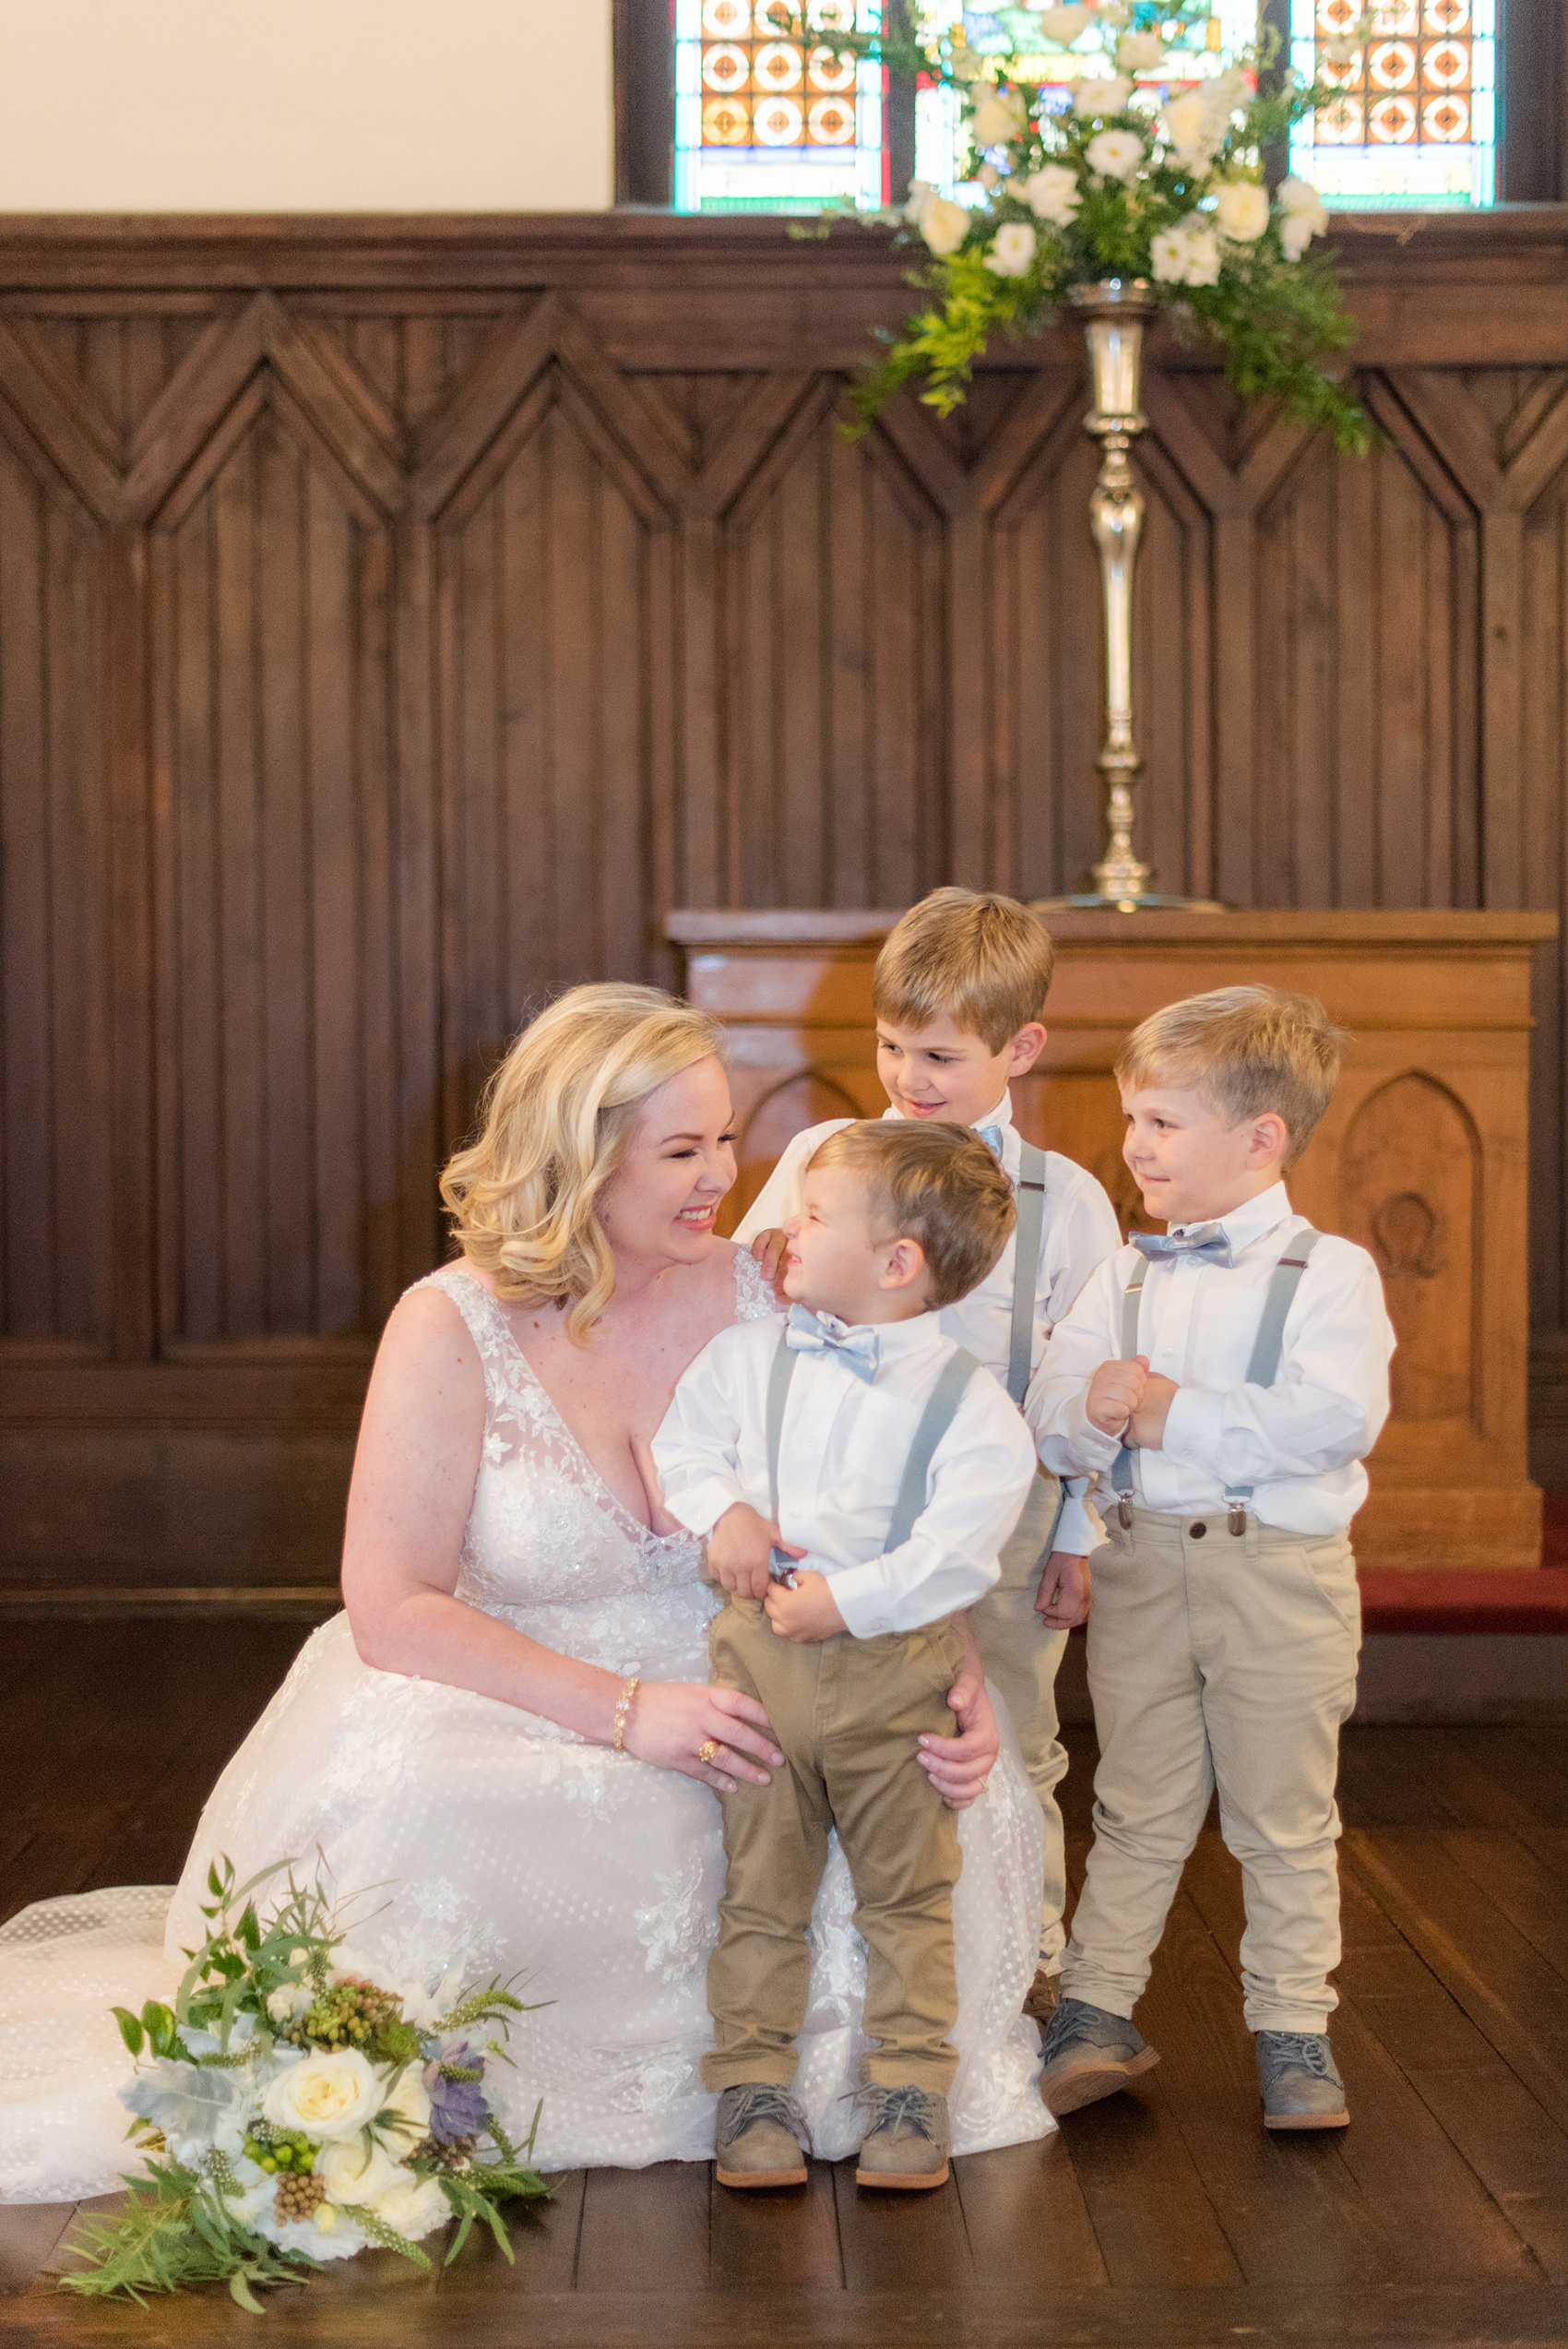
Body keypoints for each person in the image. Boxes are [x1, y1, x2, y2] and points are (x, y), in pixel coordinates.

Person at [0, 984, 1051, 2206]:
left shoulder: (777, 1292)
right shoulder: (450, 1325)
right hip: (509, 1684)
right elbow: (390, 1599)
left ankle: (845, 2084)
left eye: (723, 1139)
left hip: (772, 1668)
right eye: (680, 1150)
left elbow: (900, 1499)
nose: (722, 1174)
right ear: (580, 1157)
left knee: (904, 1781)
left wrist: (957, 1669)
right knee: (423, 1799)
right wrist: (623, 1710)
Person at [737, 888, 1122, 2009]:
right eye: (893, 1044)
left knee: (1004, 1732)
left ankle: (1022, 1954)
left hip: (992, 1526)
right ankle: (847, 1956)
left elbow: (1075, 1382)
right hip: (837, 1507)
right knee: (839, 1728)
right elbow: (756, 1300)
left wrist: (1073, 1532)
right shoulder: (822, 1153)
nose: (910, 1074)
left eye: (943, 1053)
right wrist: (769, 1259)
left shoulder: (1066, 1200)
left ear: (1022, 1046)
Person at [1027, 985, 1395, 2132]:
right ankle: (1092, 2012)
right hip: (1138, 1565)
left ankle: (1291, 2031)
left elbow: (1330, 1418)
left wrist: (1168, 1412)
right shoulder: (1121, 1275)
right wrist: (1090, 1405)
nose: (1134, 1144)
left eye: (1161, 1122)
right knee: (1134, 1802)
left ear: (1260, 1137)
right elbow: (1050, 1413)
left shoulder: (1327, 1273)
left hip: (1273, 1573)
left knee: (1280, 1814)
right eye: (1132, 1118)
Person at [655, 1121, 1039, 2192]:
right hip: (758, 1668)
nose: (786, 1226)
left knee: (908, 1893)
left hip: (893, 1677)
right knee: (761, 1883)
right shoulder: (749, 1354)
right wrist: (722, 1508)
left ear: (896, 1262)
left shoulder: (972, 1408)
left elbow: (957, 1552)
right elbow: (681, 1443)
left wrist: (848, 1599)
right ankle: (752, 2085)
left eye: (814, 1214)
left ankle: (911, 2085)